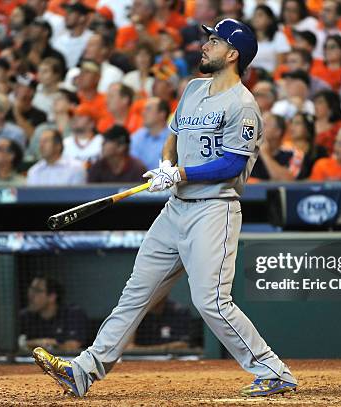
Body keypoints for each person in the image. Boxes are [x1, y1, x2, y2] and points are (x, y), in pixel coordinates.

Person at [33, 19, 298, 398]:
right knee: (135, 293)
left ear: (233, 54)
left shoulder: (243, 104)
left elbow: (232, 164)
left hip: (214, 210)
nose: (205, 45)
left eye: (215, 41)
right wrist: (165, 165)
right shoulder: (192, 89)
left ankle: (274, 370)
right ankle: (84, 370)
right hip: (176, 209)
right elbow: (173, 136)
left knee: (211, 302)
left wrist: (181, 173)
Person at [18, 276, 89, 352]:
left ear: (52, 297)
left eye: (37, 291)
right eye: (31, 289)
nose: (31, 295)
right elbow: (12, 344)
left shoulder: (72, 313)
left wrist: (33, 343)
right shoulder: (24, 316)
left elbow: (72, 346)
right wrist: (46, 342)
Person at [126, 296, 191, 351]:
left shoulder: (178, 311)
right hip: (139, 359)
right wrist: (164, 348)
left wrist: (144, 349)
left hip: (170, 359)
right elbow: (129, 348)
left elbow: (184, 345)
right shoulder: (136, 311)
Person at [250, 112, 294, 181]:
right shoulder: (249, 153)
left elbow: (287, 181)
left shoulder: (290, 154)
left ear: (277, 132)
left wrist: (265, 154)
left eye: (264, 125)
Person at [130, 97, 171, 171]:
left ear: (162, 114)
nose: (143, 113)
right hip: (137, 181)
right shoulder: (137, 136)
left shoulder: (173, 138)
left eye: (148, 109)